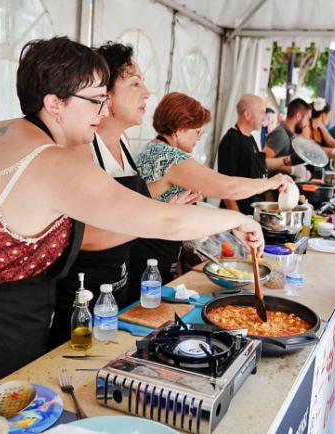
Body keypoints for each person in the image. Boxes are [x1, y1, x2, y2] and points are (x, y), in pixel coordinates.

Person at [0, 37, 264, 408]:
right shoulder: (53, 161)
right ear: (54, 103)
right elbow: (163, 219)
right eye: (95, 99)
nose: (103, 110)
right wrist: (236, 218)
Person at [49, 42, 198, 348]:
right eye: (135, 83)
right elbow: (80, 234)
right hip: (83, 293)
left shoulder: (124, 141)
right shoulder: (80, 147)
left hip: (121, 280)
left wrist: (162, 206)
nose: (147, 92)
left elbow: (125, 198)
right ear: (107, 96)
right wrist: (160, 221)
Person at [132, 92, 291, 283]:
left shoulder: (152, 148)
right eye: (197, 131)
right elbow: (227, 187)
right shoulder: (171, 157)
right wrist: (272, 182)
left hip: (144, 245)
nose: (198, 138)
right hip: (152, 249)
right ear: (179, 129)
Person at [218, 94, 292, 215]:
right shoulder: (231, 141)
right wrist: (238, 220)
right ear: (247, 114)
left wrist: (289, 161)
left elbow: (259, 163)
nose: (264, 117)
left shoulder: (250, 138)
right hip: (236, 215)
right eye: (262, 112)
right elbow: (225, 187)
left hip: (252, 212)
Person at [263, 98, 311, 179]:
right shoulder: (280, 134)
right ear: (298, 116)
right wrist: (291, 170)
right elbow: (262, 162)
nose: (307, 123)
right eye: (307, 119)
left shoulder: (290, 135)